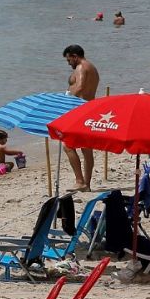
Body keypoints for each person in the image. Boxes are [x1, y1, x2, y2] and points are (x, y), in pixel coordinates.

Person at [62, 45, 100, 191]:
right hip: (89, 109)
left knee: (68, 146)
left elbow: (80, 87)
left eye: (69, 59)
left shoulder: (81, 67)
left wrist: (66, 100)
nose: (68, 63)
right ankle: (87, 184)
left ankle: (80, 181)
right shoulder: (92, 68)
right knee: (86, 148)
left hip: (80, 110)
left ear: (74, 56)